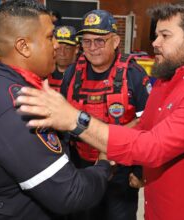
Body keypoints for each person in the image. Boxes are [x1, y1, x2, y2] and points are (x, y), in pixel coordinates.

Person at [16, 0, 184, 219]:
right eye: (156, 34)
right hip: (155, 207)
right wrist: (104, 145)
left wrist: (76, 120)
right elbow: (143, 125)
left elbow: (153, 146)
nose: (154, 43)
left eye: (165, 35)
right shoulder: (166, 81)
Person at [0, 1, 110, 219]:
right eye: (50, 37)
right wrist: (105, 163)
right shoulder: (20, 107)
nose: (56, 45)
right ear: (23, 46)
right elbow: (70, 193)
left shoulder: (7, 82)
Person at [60, 9, 150, 220]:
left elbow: (148, 124)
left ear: (116, 41)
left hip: (120, 172)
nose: (92, 48)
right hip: (80, 167)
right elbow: (62, 119)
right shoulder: (72, 73)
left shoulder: (133, 75)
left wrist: (140, 171)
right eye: (87, 41)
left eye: (100, 41)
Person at [48, 26, 79, 92]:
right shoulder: (43, 73)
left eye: (67, 48)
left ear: (76, 49)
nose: (62, 53)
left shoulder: (83, 74)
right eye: (58, 48)